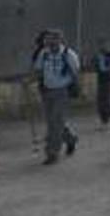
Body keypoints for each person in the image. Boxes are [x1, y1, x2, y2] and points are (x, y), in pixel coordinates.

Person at [34, 29, 80, 165]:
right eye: (49, 39)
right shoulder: (44, 54)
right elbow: (38, 70)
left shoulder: (69, 54)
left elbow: (76, 72)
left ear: (60, 40)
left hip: (62, 92)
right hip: (47, 91)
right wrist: (29, 80)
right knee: (53, 122)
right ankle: (70, 139)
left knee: (55, 123)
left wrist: (75, 89)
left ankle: (52, 153)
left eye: (54, 39)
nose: (51, 42)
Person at [93, 38, 110, 128]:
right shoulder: (98, 56)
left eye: (104, 44)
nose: (102, 46)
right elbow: (95, 67)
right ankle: (104, 120)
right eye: (100, 45)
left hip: (109, 80)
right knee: (100, 101)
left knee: (107, 100)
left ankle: (109, 117)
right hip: (101, 80)